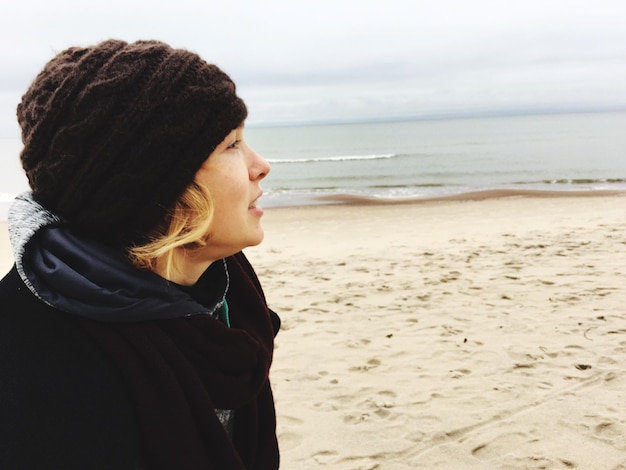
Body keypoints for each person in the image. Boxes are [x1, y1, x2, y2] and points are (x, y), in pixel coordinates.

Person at [0, 39, 280, 469]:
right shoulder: (33, 369)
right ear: (155, 183)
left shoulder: (231, 294)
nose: (260, 165)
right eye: (231, 144)